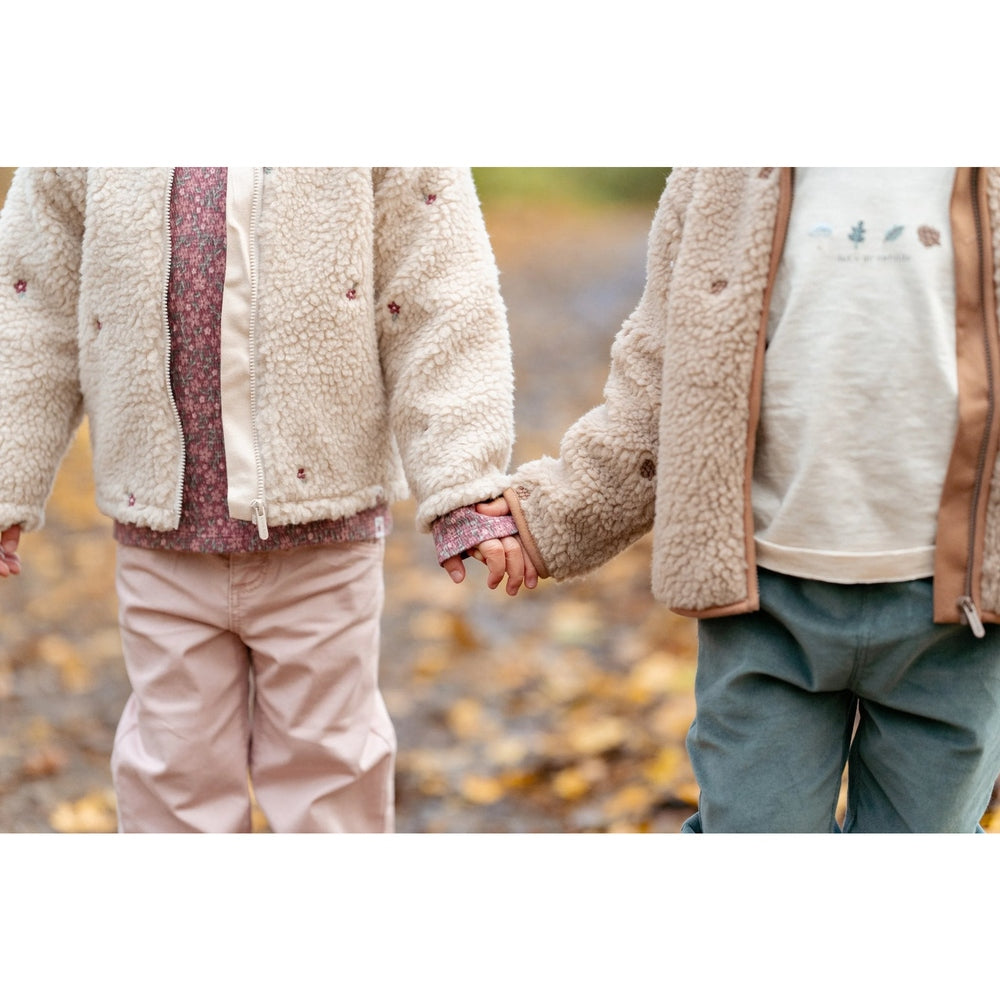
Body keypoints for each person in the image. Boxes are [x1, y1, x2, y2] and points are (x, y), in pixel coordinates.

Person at [452, 167, 1000, 833]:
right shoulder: (723, 176)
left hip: (957, 616)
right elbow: (657, 374)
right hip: (766, 602)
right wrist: (550, 511)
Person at [0, 167, 532, 833]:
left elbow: (437, 293)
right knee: (172, 780)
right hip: (163, 543)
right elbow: (30, 303)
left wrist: (463, 485)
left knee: (329, 776)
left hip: (323, 539)